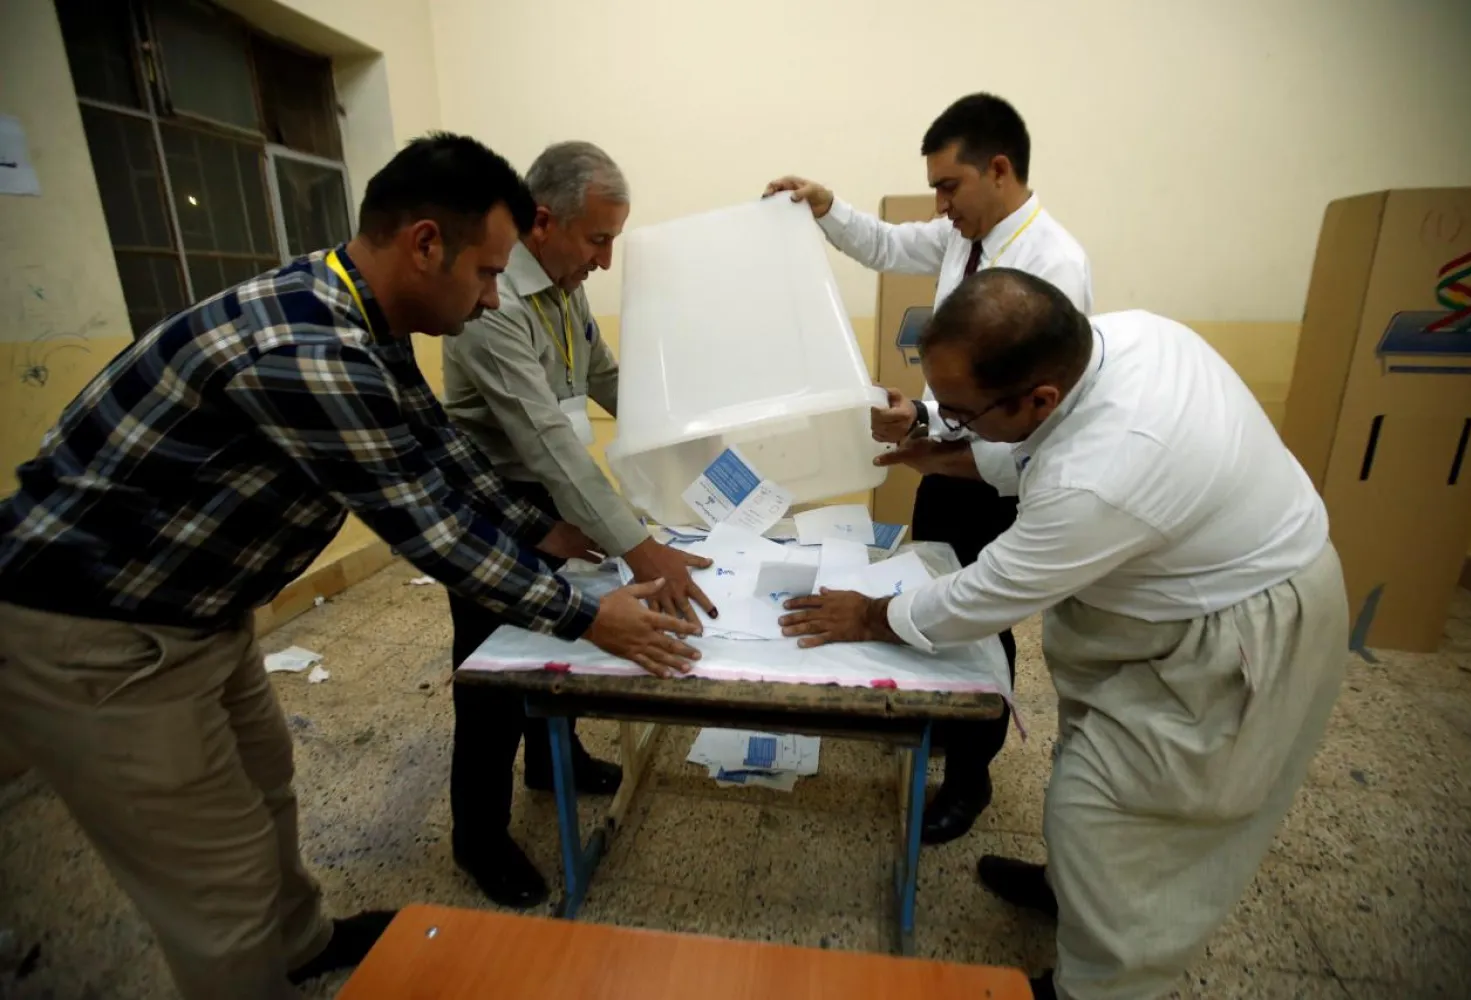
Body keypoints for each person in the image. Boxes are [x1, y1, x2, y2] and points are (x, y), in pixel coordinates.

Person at [0, 133, 700, 1000]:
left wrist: (535, 526)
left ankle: (301, 940)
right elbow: (427, 525)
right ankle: (259, 965)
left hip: (200, 609)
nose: (491, 301)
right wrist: (590, 615)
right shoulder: (313, 348)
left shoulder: (359, 312)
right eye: (486, 274)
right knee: (216, 888)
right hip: (103, 635)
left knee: (266, 782)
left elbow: (436, 447)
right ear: (424, 245)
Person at [776, 270, 1347, 1000]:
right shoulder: (1123, 337)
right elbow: (1025, 445)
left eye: (958, 410)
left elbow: (984, 595)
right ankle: (1073, 891)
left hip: (1236, 635)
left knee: (1127, 819)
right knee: (1095, 775)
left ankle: (1101, 986)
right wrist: (937, 438)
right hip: (1171, 608)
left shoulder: (1100, 476)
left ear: (1037, 397)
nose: (946, 422)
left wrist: (868, 614)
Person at [764, 93, 1093, 844]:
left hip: (1002, 472)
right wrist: (824, 206)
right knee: (928, 578)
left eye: (949, 186)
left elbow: (1030, 408)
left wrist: (944, 436)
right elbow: (885, 244)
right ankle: (937, 717)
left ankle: (969, 775)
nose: (940, 205)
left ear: (999, 169)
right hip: (949, 458)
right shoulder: (962, 239)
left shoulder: (1053, 265)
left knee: (978, 616)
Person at [441, 140, 716, 906]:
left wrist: (687, 441)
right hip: (497, 503)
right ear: (543, 221)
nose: (604, 261)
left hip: (552, 493)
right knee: (494, 670)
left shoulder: (564, 289)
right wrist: (641, 548)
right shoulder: (491, 308)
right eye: (598, 240)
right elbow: (548, 439)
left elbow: (603, 379)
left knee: (555, 640)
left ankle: (549, 762)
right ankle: (479, 838)